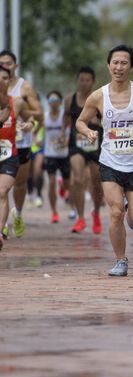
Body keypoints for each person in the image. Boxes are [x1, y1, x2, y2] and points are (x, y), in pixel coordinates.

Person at [76, 44, 133, 276]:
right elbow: (80, 121)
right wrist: (88, 131)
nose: (119, 67)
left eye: (124, 63)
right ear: (108, 65)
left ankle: (129, 209)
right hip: (110, 162)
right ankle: (120, 261)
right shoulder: (98, 96)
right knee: (116, 212)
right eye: (115, 62)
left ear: (131, 66)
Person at [0, 50, 43, 239]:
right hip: (3, 143)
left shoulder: (23, 88)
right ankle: (2, 225)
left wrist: (27, 123)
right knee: (3, 190)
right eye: (2, 63)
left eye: (8, 63)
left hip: (20, 143)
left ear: (15, 66)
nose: (5, 67)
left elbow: (39, 114)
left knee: (19, 183)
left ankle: (17, 213)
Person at [64, 66, 104, 234]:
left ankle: (96, 213)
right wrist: (62, 134)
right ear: (77, 80)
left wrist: (97, 122)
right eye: (81, 80)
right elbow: (66, 118)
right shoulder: (70, 100)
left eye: (87, 80)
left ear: (93, 82)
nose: (84, 83)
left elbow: (108, 121)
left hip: (95, 144)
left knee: (96, 182)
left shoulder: (99, 99)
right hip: (76, 143)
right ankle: (80, 218)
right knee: (78, 179)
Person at [0, 64, 32, 252]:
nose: (1, 81)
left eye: (4, 78)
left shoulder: (17, 102)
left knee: (2, 191)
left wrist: (29, 124)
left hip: (9, 155)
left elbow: (30, 118)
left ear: (10, 80)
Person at [43, 90, 71, 224]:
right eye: (51, 101)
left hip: (64, 154)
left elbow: (69, 132)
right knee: (51, 182)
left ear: (60, 102)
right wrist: (37, 140)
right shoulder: (45, 117)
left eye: (56, 101)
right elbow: (39, 132)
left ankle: (64, 189)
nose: (53, 103)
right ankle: (54, 212)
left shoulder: (64, 117)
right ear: (48, 102)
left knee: (68, 184)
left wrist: (65, 141)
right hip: (50, 154)